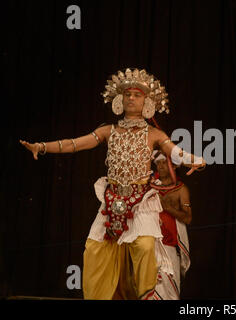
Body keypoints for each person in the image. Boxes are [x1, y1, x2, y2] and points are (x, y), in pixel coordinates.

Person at [20, 68, 205, 300]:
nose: (131, 98)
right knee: (93, 250)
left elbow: (175, 153)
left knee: (146, 248)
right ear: (120, 99)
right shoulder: (108, 131)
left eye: (137, 94)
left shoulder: (154, 134)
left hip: (140, 203)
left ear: (146, 101)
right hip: (112, 201)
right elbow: (75, 144)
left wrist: (194, 160)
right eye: (127, 94)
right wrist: (42, 147)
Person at [151, 150, 191, 300]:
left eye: (163, 162)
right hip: (151, 245)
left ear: (173, 166)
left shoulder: (181, 190)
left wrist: (168, 208)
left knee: (171, 293)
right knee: (149, 288)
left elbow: (187, 218)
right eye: (158, 163)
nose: (160, 166)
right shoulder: (150, 186)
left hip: (169, 246)